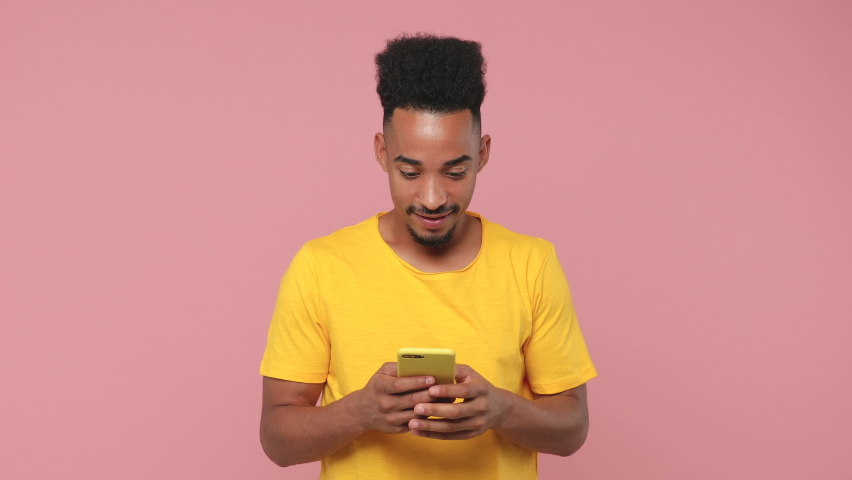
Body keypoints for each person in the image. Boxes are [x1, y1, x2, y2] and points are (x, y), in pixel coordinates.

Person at [259, 33, 597, 479]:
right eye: (410, 171)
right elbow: (277, 439)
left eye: (456, 172)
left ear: (483, 154)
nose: (433, 198)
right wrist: (360, 411)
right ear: (382, 153)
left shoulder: (531, 263)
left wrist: (501, 410)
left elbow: (572, 429)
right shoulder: (321, 266)